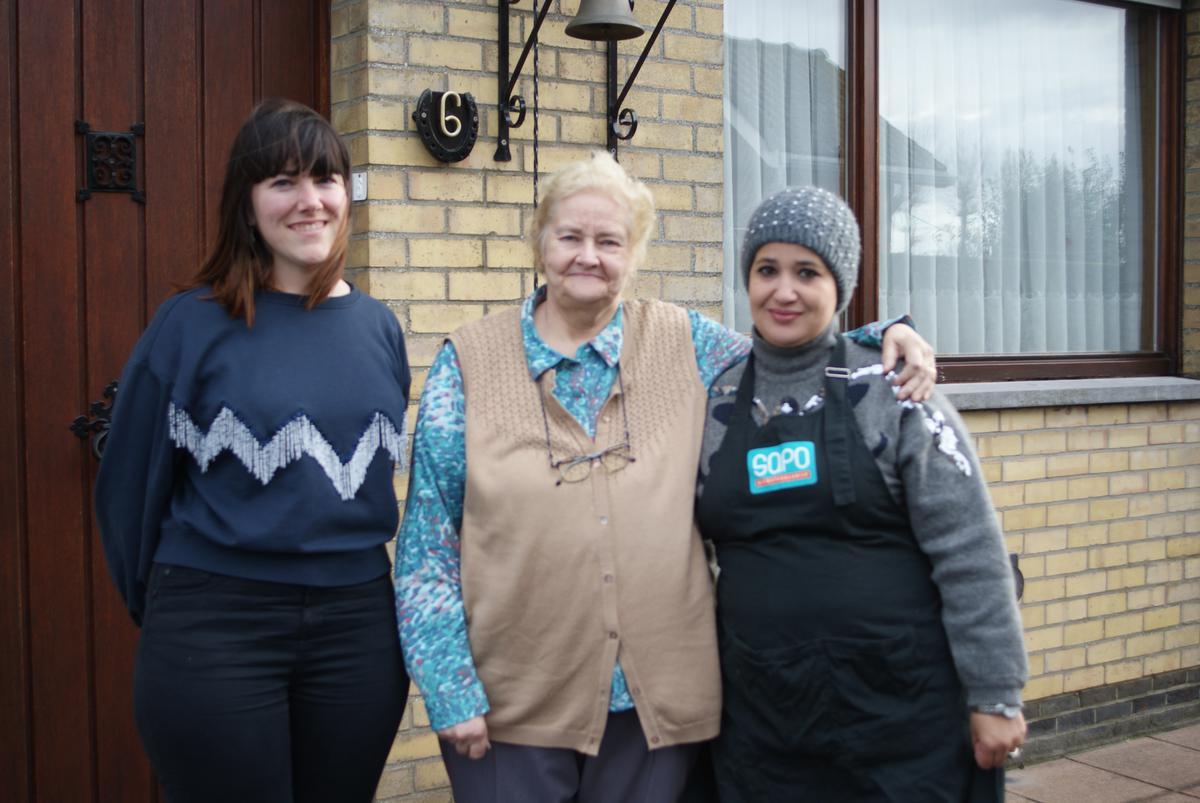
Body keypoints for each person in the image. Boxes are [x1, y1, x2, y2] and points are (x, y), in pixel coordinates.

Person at [394, 151, 937, 802]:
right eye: (569, 236)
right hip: (512, 701)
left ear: (634, 253)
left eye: (608, 240)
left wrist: (884, 337)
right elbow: (427, 546)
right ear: (540, 241)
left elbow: (788, 355)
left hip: (656, 703)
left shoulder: (687, 341)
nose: (587, 255)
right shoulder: (469, 360)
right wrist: (450, 688)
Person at [94, 98, 410, 803]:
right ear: (247, 204)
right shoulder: (189, 325)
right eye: (283, 182)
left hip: (356, 628)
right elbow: (126, 491)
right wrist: (181, 604)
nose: (310, 201)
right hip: (215, 626)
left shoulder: (379, 328)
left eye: (325, 180)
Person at [694, 186, 1027, 802]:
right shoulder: (713, 399)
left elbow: (970, 550)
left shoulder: (893, 389)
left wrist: (996, 692)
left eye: (808, 272)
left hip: (901, 719)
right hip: (762, 724)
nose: (784, 291)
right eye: (767, 269)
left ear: (839, 287)